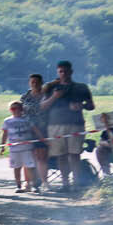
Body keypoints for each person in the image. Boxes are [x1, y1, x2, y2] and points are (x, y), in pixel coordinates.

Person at [42, 60, 95, 191]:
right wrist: (54, 97)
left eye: (66, 71)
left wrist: (81, 105)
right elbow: (42, 107)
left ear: (71, 72)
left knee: (74, 155)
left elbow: (91, 105)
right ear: (57, 72)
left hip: (76, 125)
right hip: (55, 126)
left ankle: (76, 183)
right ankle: (65, 184)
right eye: (61, 71)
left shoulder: (81, 87)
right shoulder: (51, 88)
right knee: (61, 155)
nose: (63, 74)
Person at [0, 101, 43, 193]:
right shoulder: (7, 121)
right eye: (13, 109)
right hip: (14, 149)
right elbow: (5, 133)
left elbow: (35, 130)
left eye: (18, 108)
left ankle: (33, 185)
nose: (16, 111)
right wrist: (2, 146)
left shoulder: (27, 120)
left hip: (27, 148)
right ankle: (18, 186)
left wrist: (42, 139)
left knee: (30, 166)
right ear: (10, 110)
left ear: (22, 109)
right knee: (16, 167)